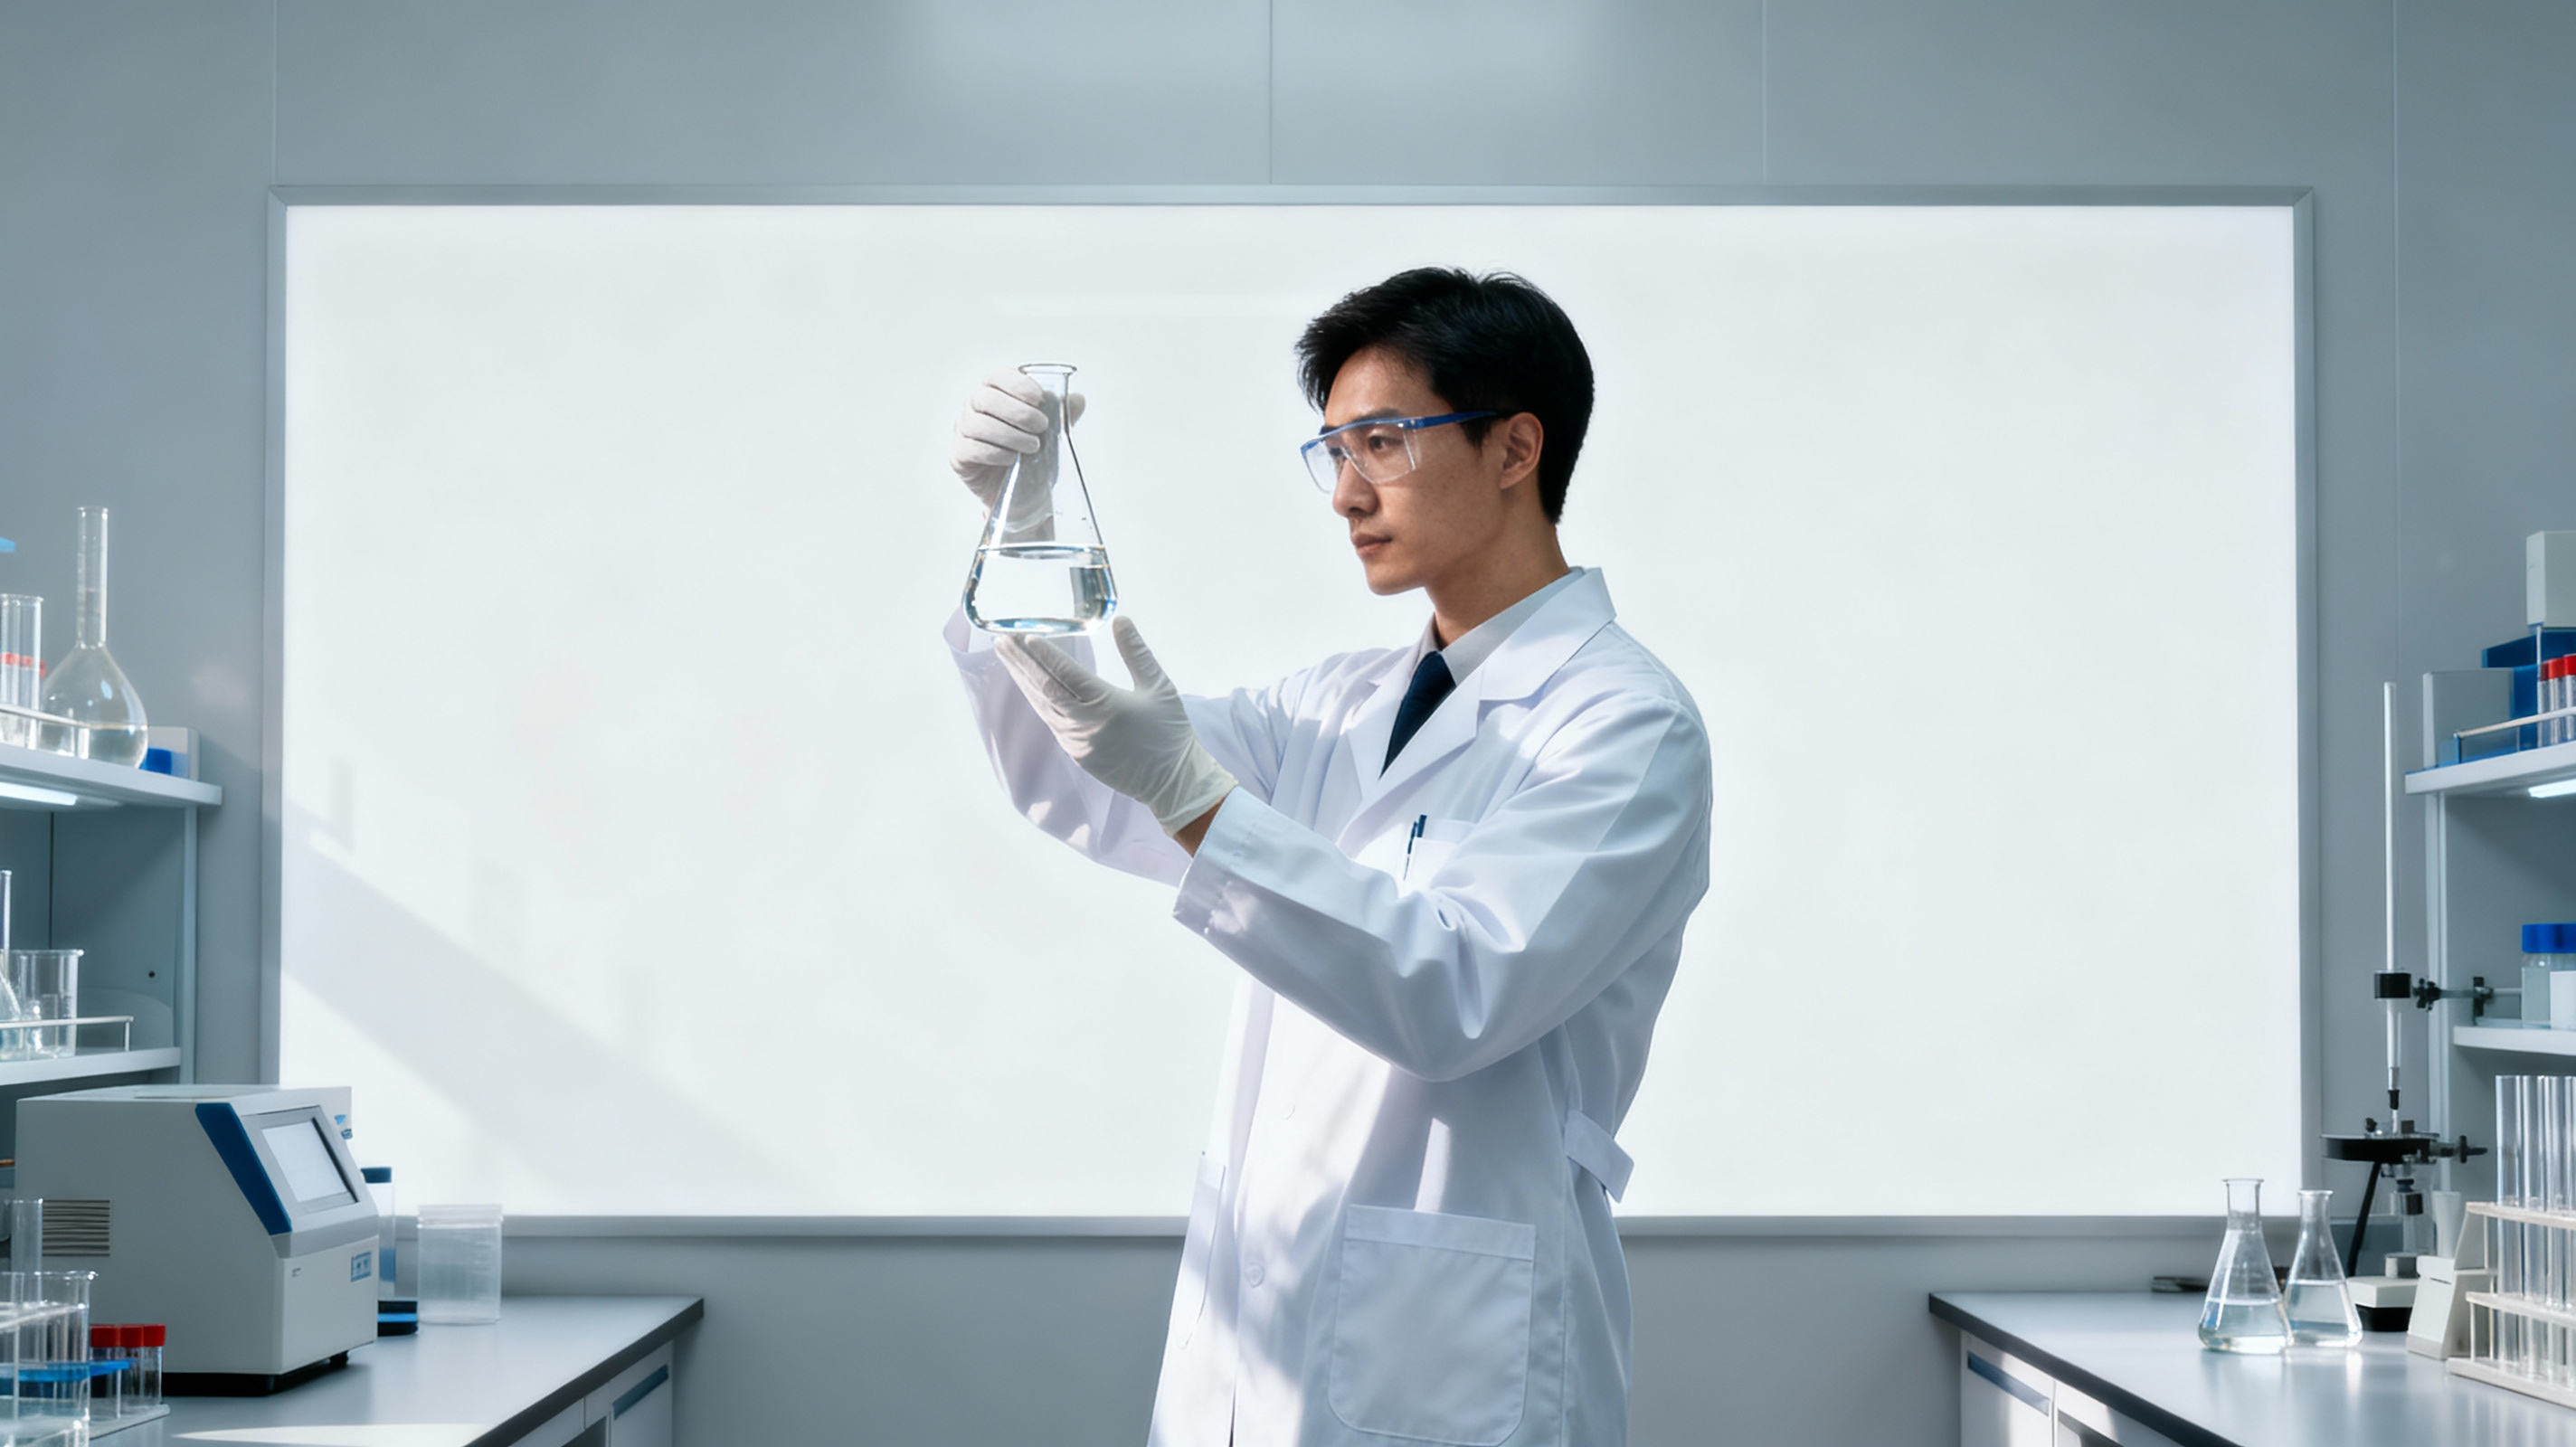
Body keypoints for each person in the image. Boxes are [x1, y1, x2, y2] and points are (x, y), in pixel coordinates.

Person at [944, 268, 1712, 1447]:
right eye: (1333, 451)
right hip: (1254, 1346)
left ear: (1516, 449)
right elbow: (1081, 768)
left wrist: (1200, 799)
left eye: (1385, 444)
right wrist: (1026, 523)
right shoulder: (1333, 707)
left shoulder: (1624, 725)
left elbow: (1456, 990)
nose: (1346, 492)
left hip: (1452, 1368)